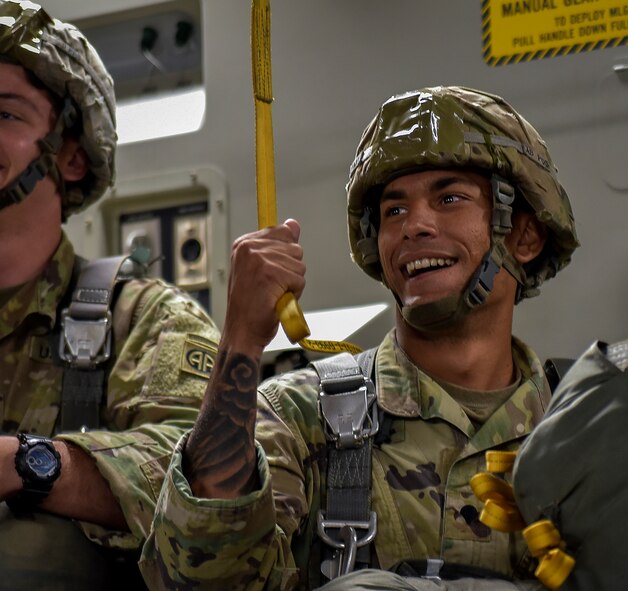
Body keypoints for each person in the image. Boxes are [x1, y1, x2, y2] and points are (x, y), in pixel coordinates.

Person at [140, 85, 579, 590]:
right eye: (394, 211)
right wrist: (240, 340)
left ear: (524, 236)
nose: (414, 225)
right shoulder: (298, 418)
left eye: (449, 198)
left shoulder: (583, 420)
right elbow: (200, 578)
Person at [0, 1, 219, 588]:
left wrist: (19, 467)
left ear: (71, 157)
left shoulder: (146, 322)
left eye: (6, 113)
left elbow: (205, 481)